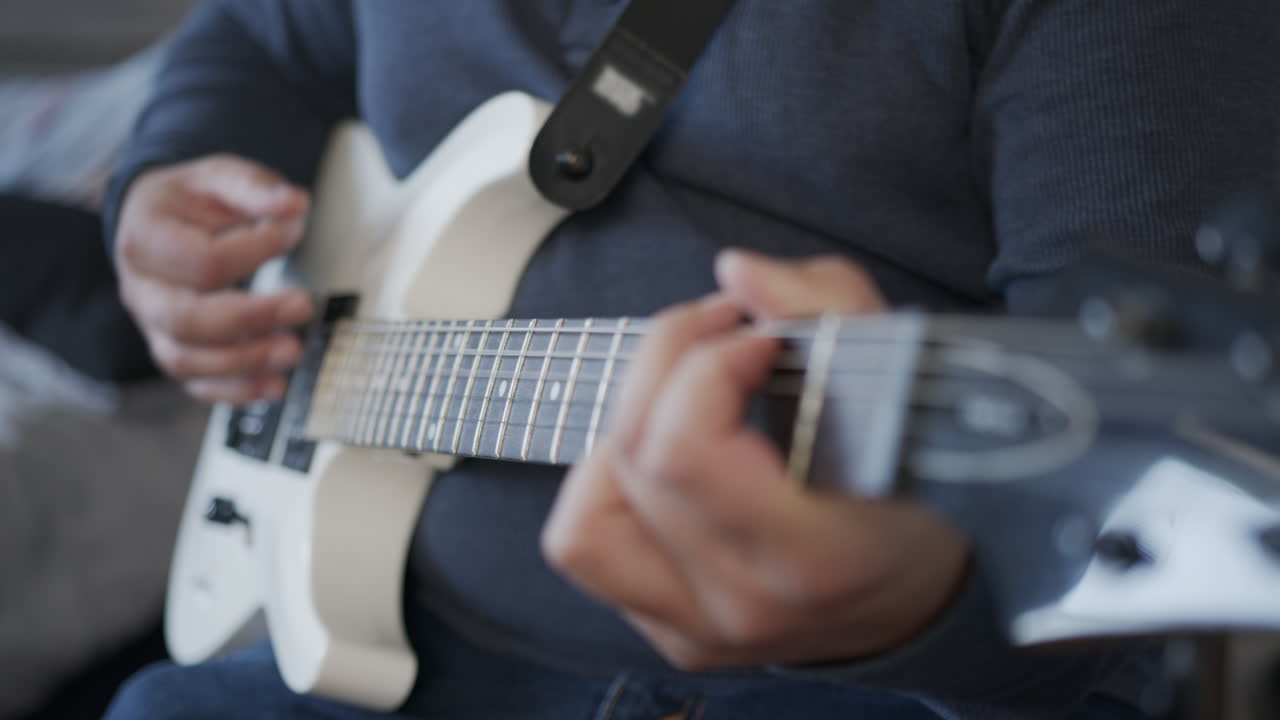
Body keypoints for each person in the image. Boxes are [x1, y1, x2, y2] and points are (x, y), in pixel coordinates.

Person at [101, 1, 1280, 719]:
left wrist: (908, 602)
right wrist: (164, 183)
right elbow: (256, 33)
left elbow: (1146, 510)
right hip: (372, 647)